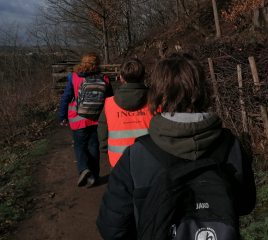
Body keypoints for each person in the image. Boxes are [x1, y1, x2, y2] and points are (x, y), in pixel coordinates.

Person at [96, 53, 256, 239]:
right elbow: (245, 204)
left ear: (156, 93)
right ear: (203, 89)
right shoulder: (231, 145)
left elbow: (112, 227)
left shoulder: (136, 155)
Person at [59, 52, 113, 187]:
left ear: (83, 62)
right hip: (96, 119)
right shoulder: (104, 78)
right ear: (97, 63)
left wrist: (63, 116)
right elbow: (110, 100)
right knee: (93, 146)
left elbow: (65, 98)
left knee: (80, 145)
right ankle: (94, 176)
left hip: (78, 119)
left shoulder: (74, 77)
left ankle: (84, 168)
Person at [98, 57, 155, 167]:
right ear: (143, 77)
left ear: (121, 78)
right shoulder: (155, 101)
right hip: (149, 159)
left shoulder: (109, 104)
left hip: (118, 161)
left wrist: (104, 148)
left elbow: (102, 129)